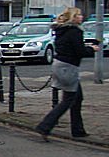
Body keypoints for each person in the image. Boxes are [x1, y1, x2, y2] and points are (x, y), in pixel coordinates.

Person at [36, 7, 96, 141]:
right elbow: (79, 51)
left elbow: (68, 47)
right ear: (73, 18)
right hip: (69, 67)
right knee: (68, 100)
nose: (81, 17)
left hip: (60, 65)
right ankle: (45, 126)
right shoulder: (74, 31)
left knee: (77, 98)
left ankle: (78, 130)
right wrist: (92, 49)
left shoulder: (61, 30)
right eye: (79, 15)